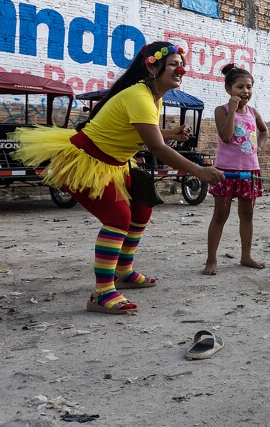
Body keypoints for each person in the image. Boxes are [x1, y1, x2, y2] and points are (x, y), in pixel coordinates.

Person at [12, 41, 224, 314]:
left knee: (142, 209)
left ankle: (124, 270)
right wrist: (198, 171)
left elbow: (145, 135)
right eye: (173, 64)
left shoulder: (152, 97)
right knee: (118, 218)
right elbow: (157, 147)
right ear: (152, 67)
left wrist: (169, 134)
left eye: (180, 65)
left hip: (115, 163)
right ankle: (102, 293)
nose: (181, 70)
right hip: (86, 161)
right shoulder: (140, 96)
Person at [204, 64, 269, 276]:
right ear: (228, 89)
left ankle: (246, 255)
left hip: (249, 171)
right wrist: (232, 110)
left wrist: (258, 146)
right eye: (240, 87)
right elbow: (226, 136)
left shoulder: (253, 112)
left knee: (247, 215)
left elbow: (264, 130)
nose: (245, 91)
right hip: (226, 171)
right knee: (220, 215)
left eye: (249, 87)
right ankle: (211, 259)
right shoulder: (221, 110)